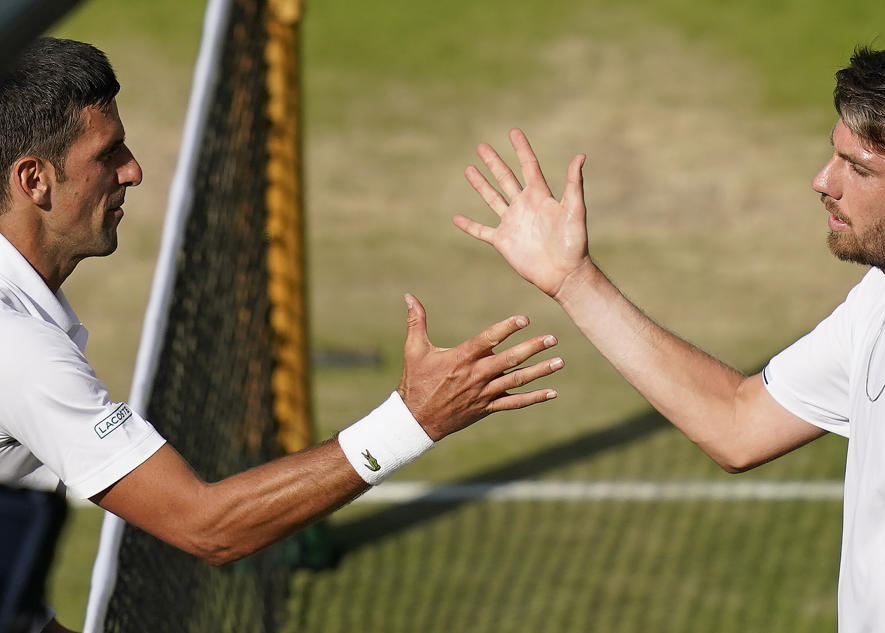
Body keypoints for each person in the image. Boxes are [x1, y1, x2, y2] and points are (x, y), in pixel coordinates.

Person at [0, 37, 564, 633]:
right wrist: (414, 419)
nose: (133, 171)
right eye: (108, 154)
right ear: (35, 180)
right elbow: (208, 525)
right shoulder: (20, 351)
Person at [457, 35, 885, 633]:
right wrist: (573, 280)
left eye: (858, 168)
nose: (823, 181)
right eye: (833, 154)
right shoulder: (881, 300)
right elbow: (737, 423)